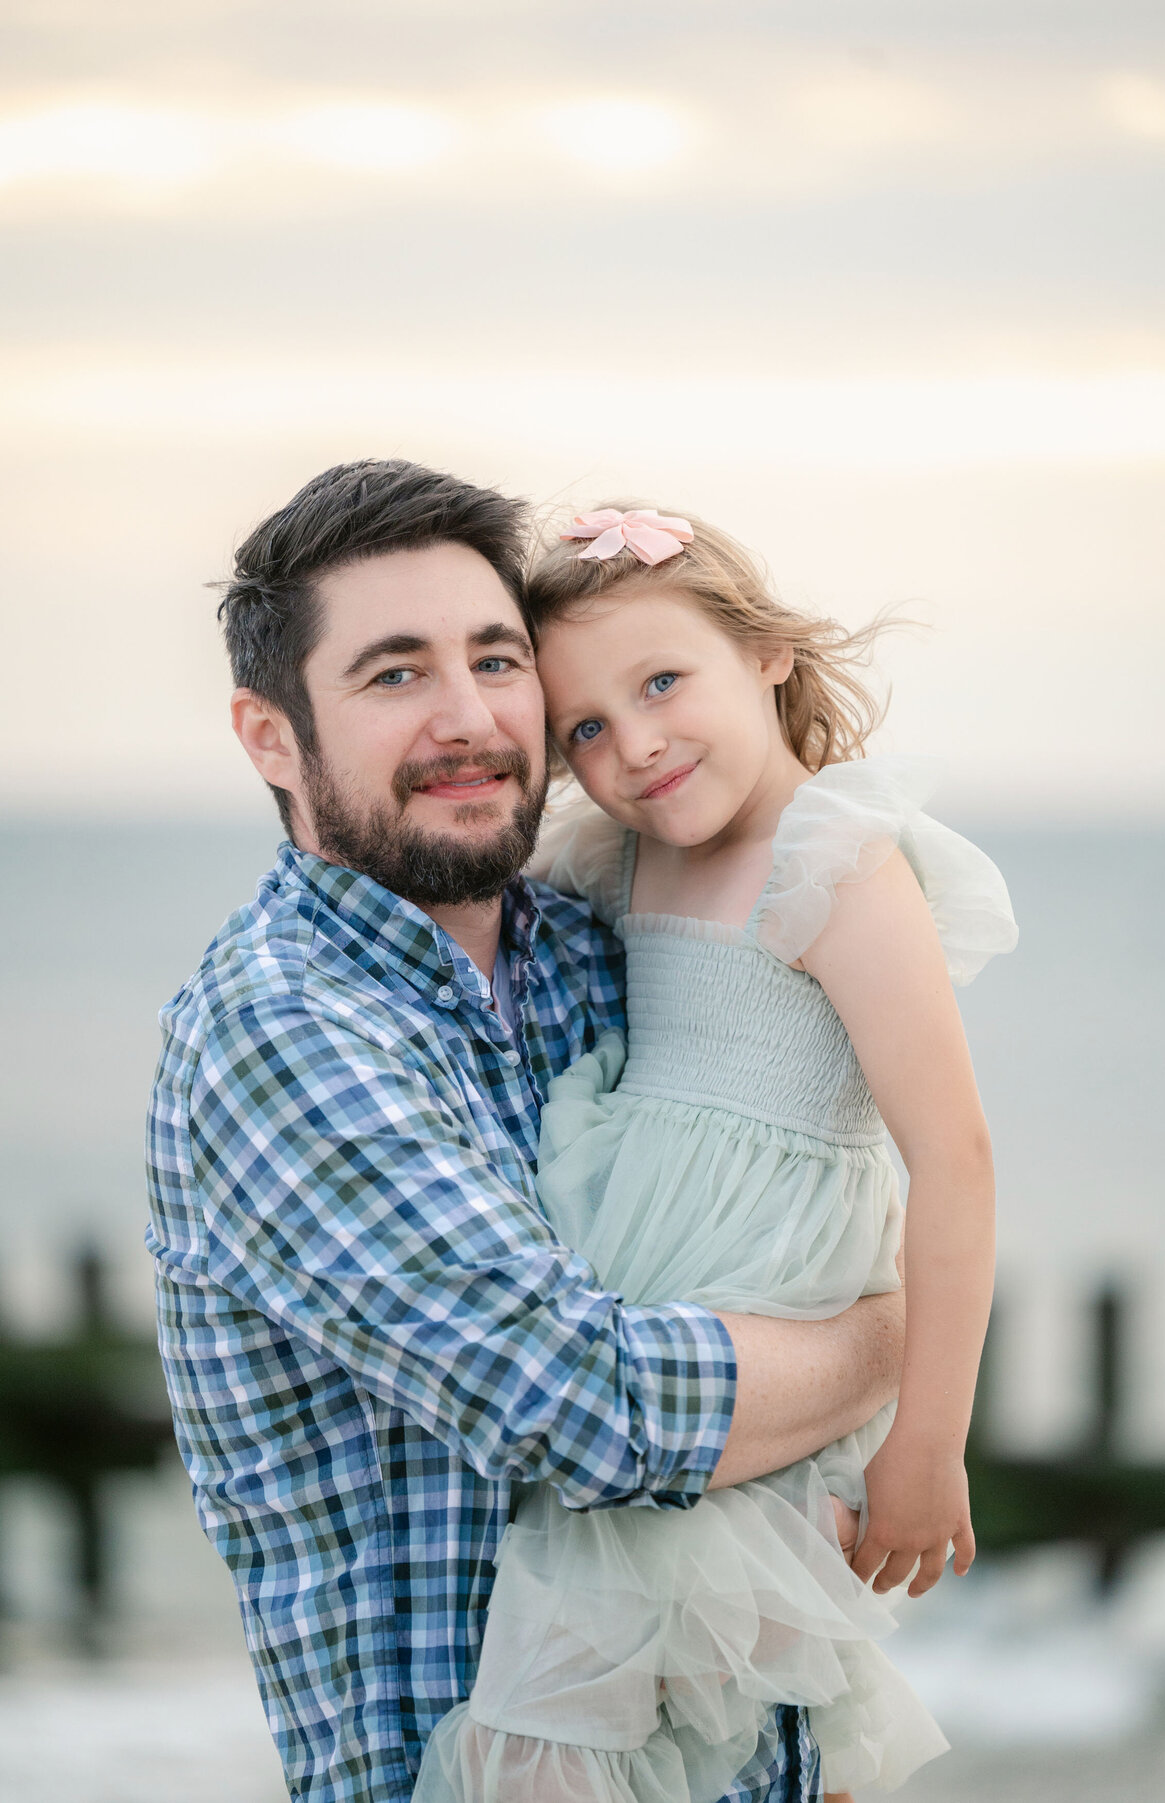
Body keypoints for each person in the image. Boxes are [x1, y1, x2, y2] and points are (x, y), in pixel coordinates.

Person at [145, 460, 908, 1803]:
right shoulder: (284, 1033)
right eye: (394, 675)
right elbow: (593, 1412)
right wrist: (896, 1338)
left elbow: (774, 1214)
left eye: (497, 660)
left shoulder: (589, 942)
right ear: (271, 737)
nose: (472, 719)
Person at [412, 504, 1018, 1803]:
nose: (634, 745)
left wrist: (931, 1439)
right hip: (650, 1368)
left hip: (774, 1356)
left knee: (688, 1727)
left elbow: (955, 1156)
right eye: (584, 727)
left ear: (768, 654)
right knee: (676, 1743)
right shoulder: (620, 860)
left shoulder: (839, 863)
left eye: (664, 682)